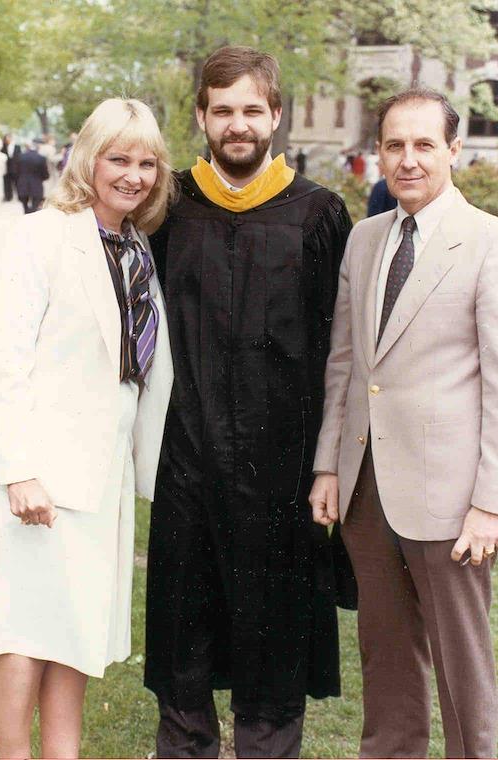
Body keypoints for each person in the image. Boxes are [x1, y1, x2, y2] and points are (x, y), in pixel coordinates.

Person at [145, 45, 352, 759]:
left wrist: (328, 461)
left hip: (282, 470)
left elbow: (342, 348)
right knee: (184, 630)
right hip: (185, 459)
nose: (238, 124)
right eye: (223, 110)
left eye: (252, 110)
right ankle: (186, 747)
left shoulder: (318, 213)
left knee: (276, 631)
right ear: (201, 117)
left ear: (276, 115)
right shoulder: (168, 206)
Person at [0, 97, 175, 760]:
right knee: (22, 632)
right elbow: (2, 361)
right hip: (38, 479)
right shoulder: (39, 237)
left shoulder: (136, 248)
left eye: (147, 163)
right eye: (119, 159)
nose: (133, 176)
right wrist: (17, 470)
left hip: (102, 476)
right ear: (87, 159)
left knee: (75, 635)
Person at [310, 87, 498, 758]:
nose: (408, 160)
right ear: (379, 153)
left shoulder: (487, 242)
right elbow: (345, 362)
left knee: (464, 668)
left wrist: (489, 505)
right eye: (395, 145)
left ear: (454, 149)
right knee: (385, 660)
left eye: (424, 145)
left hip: (451, 500)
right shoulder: (365, 240)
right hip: (367, 492)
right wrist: (329, 466)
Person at [17, 140, 49, 213]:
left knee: (25, 205)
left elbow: (16, 171)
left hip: (23, 182)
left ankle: (26, 212)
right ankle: (32, 212)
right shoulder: (41, 158)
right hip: (37, 183)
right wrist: (44, 178)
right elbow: (45, 173)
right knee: (35, 205)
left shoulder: (20, 156)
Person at [1, 133, 21, 201]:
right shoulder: (3, 147)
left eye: (10, 137)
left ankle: (20, 197)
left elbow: (19, 158)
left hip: (16, 169)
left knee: (17, 184)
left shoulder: (17, 147)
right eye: (7, 138)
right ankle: (8, 197)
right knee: (7, 184)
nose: (8, 139)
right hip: (6, 169)